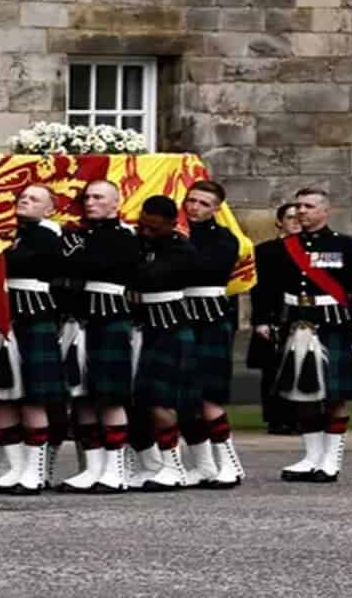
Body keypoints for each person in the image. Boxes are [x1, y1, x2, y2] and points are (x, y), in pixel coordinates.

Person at [265, 185, 352, 483]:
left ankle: (331, 460)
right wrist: (270, 322)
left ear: (326, 211)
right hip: (297, 326)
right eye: (299, 206)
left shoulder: (346, 246)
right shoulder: (284, 248)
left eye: (309, 206)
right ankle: (311, 457)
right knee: (303, 395)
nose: (301, 211)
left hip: (333, 326)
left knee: (335, 397)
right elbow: (270, 290)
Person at [0, 184, 66, 494]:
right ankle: (15, 467)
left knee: (32, 398)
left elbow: (21, 262)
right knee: (1, 396)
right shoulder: (11, 233)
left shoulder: (48, 235)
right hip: (3, 318)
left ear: (49, 209)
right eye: (22, 197)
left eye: (34, 199)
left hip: (33, 319)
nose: (25, 201)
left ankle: (34, 472)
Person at [56, 179, 142, 493]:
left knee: (110, 396)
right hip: (80, 322)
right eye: (87, 197)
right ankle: (93, 469)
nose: (90, 202)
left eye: (98, 197)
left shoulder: (125, 236)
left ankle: (115, 470)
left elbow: (97, 265)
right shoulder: (79, 235)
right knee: (81, 397)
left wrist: (73, 254)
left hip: (110, 321)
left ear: (116, 203)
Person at [130, 196, 201, 490]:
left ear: (172, 224)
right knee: (139, 401)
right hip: (142, 329)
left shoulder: (181, 249)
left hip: (169, 328)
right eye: (143, 226)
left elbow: (149, 276)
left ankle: (174, 467)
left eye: (154, 228)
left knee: (162, 401)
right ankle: (151, 465)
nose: (147, 233)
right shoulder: (140, 243)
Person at [179, 180, 247, 488]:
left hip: (210, 319)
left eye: (203, 203)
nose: (195, 207)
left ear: (216, 209)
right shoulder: (177, 234)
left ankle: (230, 463)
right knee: (184, 397)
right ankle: (204, 465)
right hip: (182, 316)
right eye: (191, 201)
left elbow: (202, 269)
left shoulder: (224, 238)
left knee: (209, 396)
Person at [248, 200, 304, 435]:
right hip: (276, 315)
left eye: (299, 218)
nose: (296, 222)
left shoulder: (314, 249)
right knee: (274, 370)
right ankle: (277, 419)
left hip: (304, 316)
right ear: (279, 222)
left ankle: (301, 418)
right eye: (290, 218)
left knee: (303, 367)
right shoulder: (265, 250)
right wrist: (260, 320)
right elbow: (259, 289)